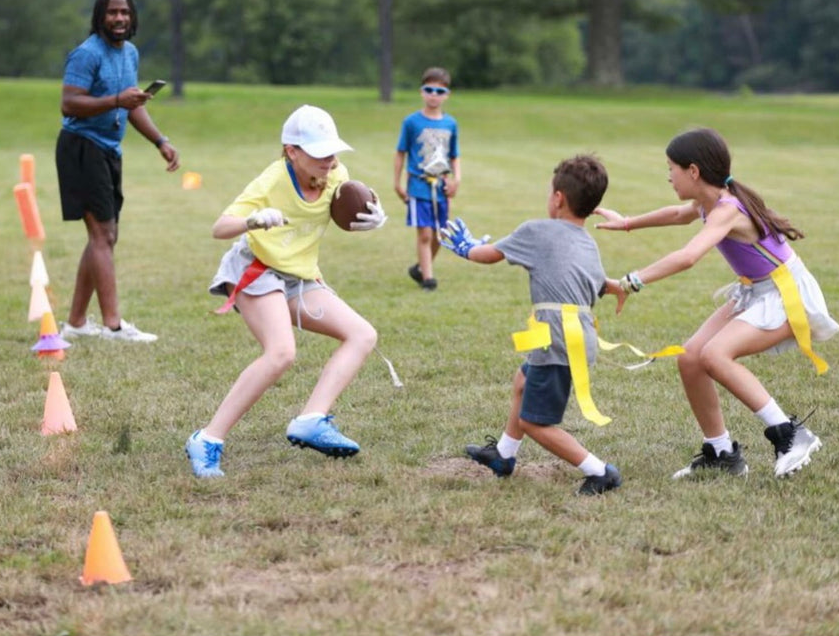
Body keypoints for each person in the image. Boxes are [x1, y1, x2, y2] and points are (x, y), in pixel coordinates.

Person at [595, 127, 839, 479]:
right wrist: (628, 223)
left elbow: (688, 256)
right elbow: (678, 214)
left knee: (714, 355)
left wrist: (629, 283)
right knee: (691, 357)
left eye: (671, 168)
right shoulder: (707, 202)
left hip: (785, 296)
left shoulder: (726, 209)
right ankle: (721, 452)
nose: (668, 177)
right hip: (755, 290)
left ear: (693, 171)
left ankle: (790, 433)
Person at [185, 105, 387, 478]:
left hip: (299, 275)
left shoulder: (336, 174)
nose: (329, 160)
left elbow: (353, 202)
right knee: (280, 353)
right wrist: (254, 219)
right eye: (319, 152)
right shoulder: (271, 180)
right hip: (256, 269)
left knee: (362, 334)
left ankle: (311, 420)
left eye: (332, 151)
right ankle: (207, 439)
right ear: (292, 151)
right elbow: (219, 227)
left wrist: (377, 216)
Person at [443, 155, 627, 495]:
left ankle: (600, 471)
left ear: (558, 197)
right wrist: (616, 285)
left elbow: (488, 255)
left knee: (535, 422)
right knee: (523, 381)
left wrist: (466, 246)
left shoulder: (537, 231)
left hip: (557, 339)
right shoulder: (588, 241)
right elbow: (596, 282)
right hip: (574, 336)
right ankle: (503, 455)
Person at [55, 0, 180, 343]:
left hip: (109, 150)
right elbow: (69, 103)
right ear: (100, 17)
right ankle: (112, 325)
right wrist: (115, 100)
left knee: (104, 236)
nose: (119, 18)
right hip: (82, 148)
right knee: (102, 235)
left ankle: (77, 322)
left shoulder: (130, 54)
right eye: (112, 12)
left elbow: (133, 105)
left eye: (125, 12)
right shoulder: (86, 54)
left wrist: (161, 141)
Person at [394, 66, 461, 292]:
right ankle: (429, 279)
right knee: (425, 233)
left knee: (441, 234)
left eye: (439, 91)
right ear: (422, 92)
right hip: (419, 184)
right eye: (429, 89)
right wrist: (397, 182)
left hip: (441, 185)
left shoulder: (450, 124)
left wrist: (456, 179)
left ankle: (420, 268)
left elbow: (454, 156)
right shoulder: (411, 122)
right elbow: (401, 152)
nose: (434, 95)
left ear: (447, 95)